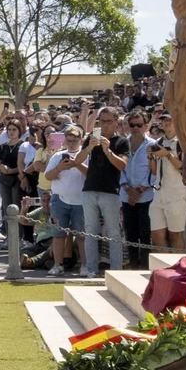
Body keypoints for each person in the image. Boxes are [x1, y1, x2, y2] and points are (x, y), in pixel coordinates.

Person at [76, 106, 128, 275]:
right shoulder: (92, 139)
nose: (105, 125)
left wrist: (108, 151)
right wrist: (89, 148)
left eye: (108, 121)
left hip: (110, 192)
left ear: (116, 122)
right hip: (89, 190)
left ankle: (116, 271)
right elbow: (77, 160)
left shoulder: (121, 141)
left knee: (113, 232)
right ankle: (91, 270)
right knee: (90, 231)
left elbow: (122, 165)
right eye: (102, 121)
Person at [45, 127, 87, 276]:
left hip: (81, 201)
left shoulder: (86, 155)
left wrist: (77, 163)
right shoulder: (58, 156)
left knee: (82, 236)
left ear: (81, 140)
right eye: (68, 140)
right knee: (58, 235)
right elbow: (48, 176)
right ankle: (58, 264)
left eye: (75, 140)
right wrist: (60, 168)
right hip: (59, 200)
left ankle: (85, 265)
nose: (71, 143)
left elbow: (91, 174)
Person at [148, 113, 186, 254]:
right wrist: (151, 157)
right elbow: (154, 172)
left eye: (170, 120)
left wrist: (167, 155)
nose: (166, 123)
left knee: (175, 234)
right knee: (156, 235)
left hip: (178, 193)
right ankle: (163, 269)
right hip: (159, 193)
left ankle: (178, 270)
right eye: (164, 120)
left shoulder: (184, 142)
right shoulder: (158, 142)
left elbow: (185, 169)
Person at [119, 111, 155, 268]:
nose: (135, 128)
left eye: (139, 125)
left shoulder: (153, 145)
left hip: (146, 197)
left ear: (146, 126)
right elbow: (119, 169)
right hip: (126, 196)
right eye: (132, 125)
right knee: (130, 234)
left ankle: (146, 267)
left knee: (145, 235)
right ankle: (133, 266)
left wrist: (139, 190)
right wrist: (127, 188)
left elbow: (154, 172)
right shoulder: (122, 144)